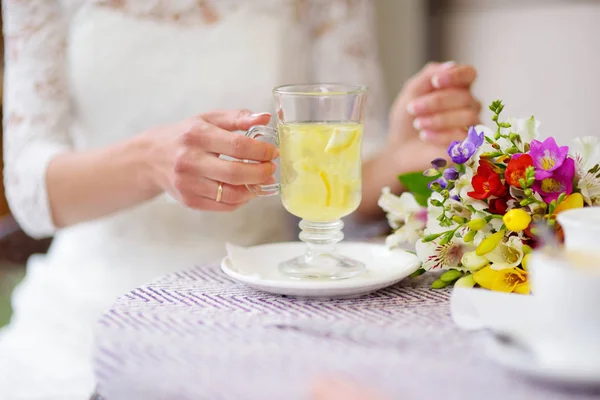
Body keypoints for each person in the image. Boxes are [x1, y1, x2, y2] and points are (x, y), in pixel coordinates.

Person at [0, 0, 479, 398]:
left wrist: (403, 153)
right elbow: (29, 194)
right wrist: (149, 161)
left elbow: (340, 176)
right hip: (89, 318)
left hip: (277, 307)